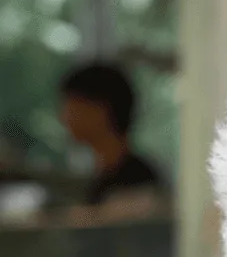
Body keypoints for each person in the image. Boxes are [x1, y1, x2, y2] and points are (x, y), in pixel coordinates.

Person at [58, 61, 167, 215]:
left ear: (102, 110)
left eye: (73, 107)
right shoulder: (101, 178)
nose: (64, 118)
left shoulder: (137, 179)